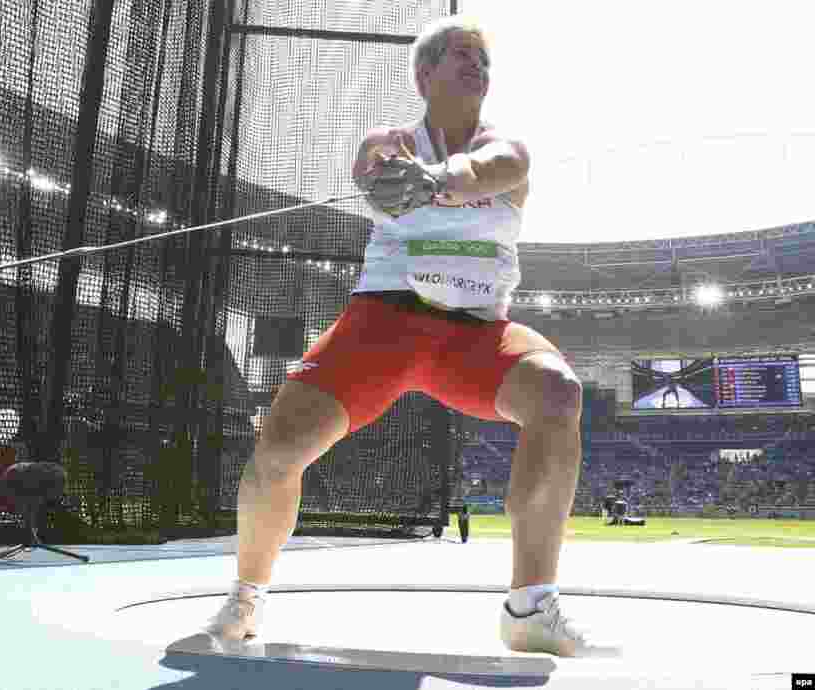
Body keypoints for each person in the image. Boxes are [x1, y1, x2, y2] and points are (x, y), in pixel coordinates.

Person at [206, 15, 617, 657]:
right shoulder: (391, 139)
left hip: (476, 336)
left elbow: (494, 167)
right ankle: (246, 597)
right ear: (425, 74)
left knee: (558, 395)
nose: (477, 64)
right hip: (382, 324)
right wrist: (393, 175)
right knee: (278, 450)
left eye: (483, 57)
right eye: (461, 54)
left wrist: (441, 181)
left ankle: (530, 607)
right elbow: (373, 165)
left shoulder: (508, 147)